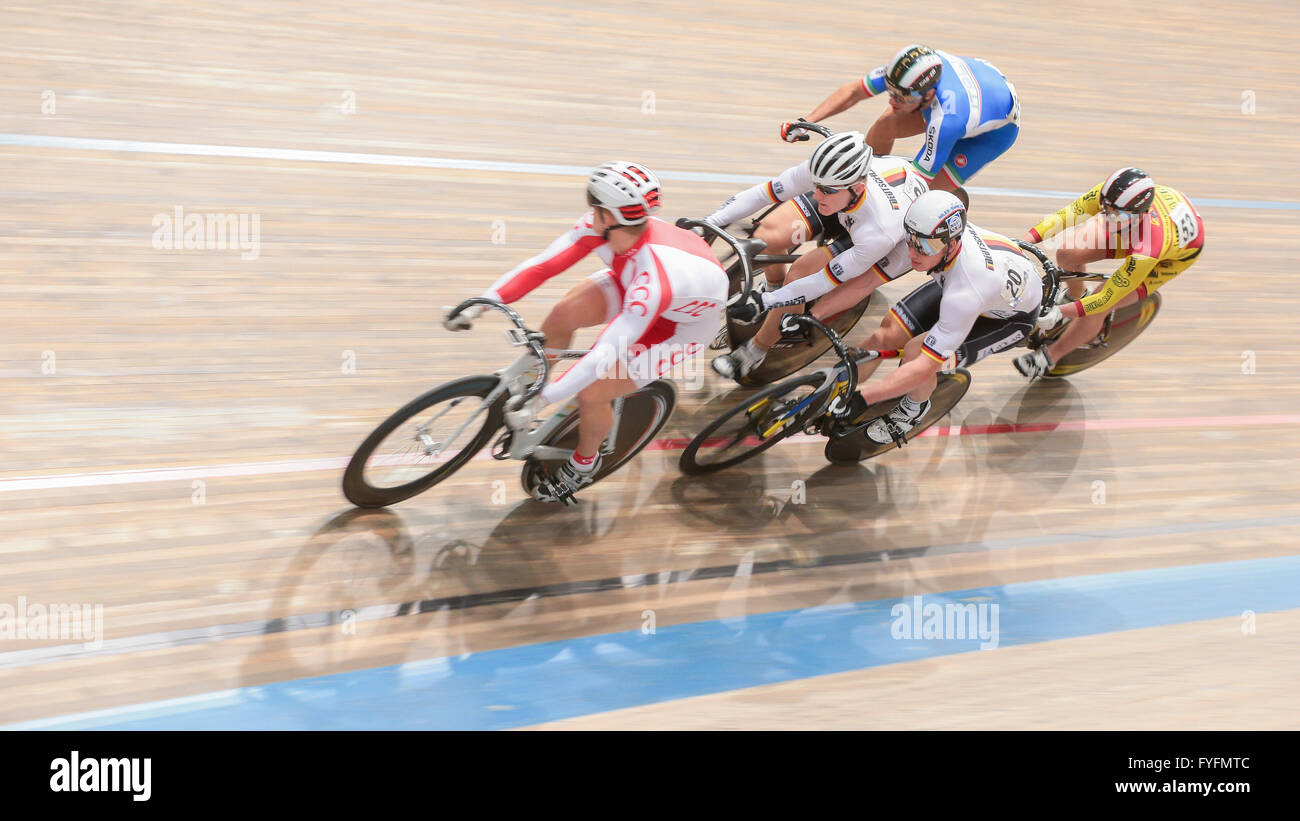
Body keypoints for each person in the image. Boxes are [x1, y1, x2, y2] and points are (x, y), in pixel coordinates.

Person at [443, 162, 728, 501]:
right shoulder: (608, 229)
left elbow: (602, 355)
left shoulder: (653, 280)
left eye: (593, 203)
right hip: (637, 284)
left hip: (681, 326)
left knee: (593, 392)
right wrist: (480, 304)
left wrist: (540, 403)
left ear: (609, 215)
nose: (589, 210)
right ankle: (533, 381)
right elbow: (541, 266)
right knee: (564, 314)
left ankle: (584, 464)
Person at [705, 131, 929, 381]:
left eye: (825, 190)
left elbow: (823, 280)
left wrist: (764, 303)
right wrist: (708, 223)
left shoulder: (880, 231)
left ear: (857, 188)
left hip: (886, 231)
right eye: (816, 185)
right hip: (850, 205)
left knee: (801, 273)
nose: (816, 194)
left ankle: (755, 351)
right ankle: (773, 288)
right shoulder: (827, 176)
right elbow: (764, 193)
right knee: (768, 235)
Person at [845, 190, 1041, 445]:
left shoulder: (967, 288)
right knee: (885, 335)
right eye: (911, 239)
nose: (914, 252)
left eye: (926, 246)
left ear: (953, 244)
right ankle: (839, 391)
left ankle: (914, 410)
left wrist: (864, 399)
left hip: (1007, 318)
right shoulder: (935, 241)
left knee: (916, 354)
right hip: (977, 282)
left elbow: (924, 365)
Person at [1013, 167, 1206, 379]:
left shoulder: (1148, 249)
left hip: (1171, 253)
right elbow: (1064, 217)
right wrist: (1022, 242)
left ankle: (1049, 358)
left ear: (1139, 214)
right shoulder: (1112, 199)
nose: (1106, 215)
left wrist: (1062, 312)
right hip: (1139, 223)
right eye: (1104, 208)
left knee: (1098, 305)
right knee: (1068, 253)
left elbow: (1106, 298)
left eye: (1115, 214)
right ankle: (1076, 296)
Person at [780, 44, 1019, 199]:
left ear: (928, 94)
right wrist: (805, 120)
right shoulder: (908, 74)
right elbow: (853, 92)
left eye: (902, 97)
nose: (894, 101)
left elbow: (917, 180)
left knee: (921, 198)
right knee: (886, 123)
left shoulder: (947, 120)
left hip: (993, 132)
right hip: (971, 87)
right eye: (891, 92)